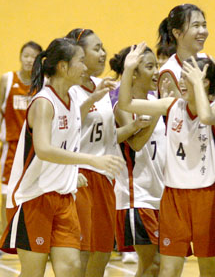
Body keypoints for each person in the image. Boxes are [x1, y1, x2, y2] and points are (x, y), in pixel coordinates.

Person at [0, 37, 124, 277]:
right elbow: (44, 149)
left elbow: (74, 121)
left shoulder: (72, 98)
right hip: (34, 197)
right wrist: (90, 161)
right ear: (63, 67)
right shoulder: (44, 102)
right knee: (33, 272)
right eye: (80, 62)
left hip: (63, 197)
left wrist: (94, 99)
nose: (85, 67)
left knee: (72, 268)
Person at [118, 43, 215, 277]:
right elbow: (126, 103)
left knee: (210, 271)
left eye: (186, 78)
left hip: (206, 196)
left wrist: (198, 82)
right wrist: (127, 70)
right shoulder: (172, 105)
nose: (180, 83)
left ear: (203, 82)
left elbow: (206, 117)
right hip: (173, 198)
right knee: (167, 270)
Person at [65, 28, 120, 277]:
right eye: (96, 48)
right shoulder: (67, 88)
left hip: (104, 175)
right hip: (79, 174)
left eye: (103, 47)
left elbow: (109, 133)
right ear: (78, 53)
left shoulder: (103, 84)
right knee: (81, 252)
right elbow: (66, 124)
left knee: (102, 252)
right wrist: (92, 99)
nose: (103, 53)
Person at [109, 44, 166, 277]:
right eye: (150, 67)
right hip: (136, 196)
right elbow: (135, 143)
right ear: (133, 72)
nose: (156, 72)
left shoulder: (157, 100)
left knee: (155, 266)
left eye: (158, 66)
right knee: (153, 265)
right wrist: (157, 109)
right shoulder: (120, 103)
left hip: (160, 195)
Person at [0, 41, 42, 260]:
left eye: (33, 56)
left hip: (37, 148)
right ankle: (3, 242)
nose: (29, 60)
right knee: (6, 195)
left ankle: (37, 240)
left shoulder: (43, 83)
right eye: (26, 55)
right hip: (12, 146)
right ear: (20, 57)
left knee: (37, 195)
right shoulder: (7, 80)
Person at [157, 4, 209, 97]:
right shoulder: (169, 72)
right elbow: (184, 111)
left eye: (204, 25)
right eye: (196, 25)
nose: (203, 31)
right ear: (177, 33)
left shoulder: (207, 60)